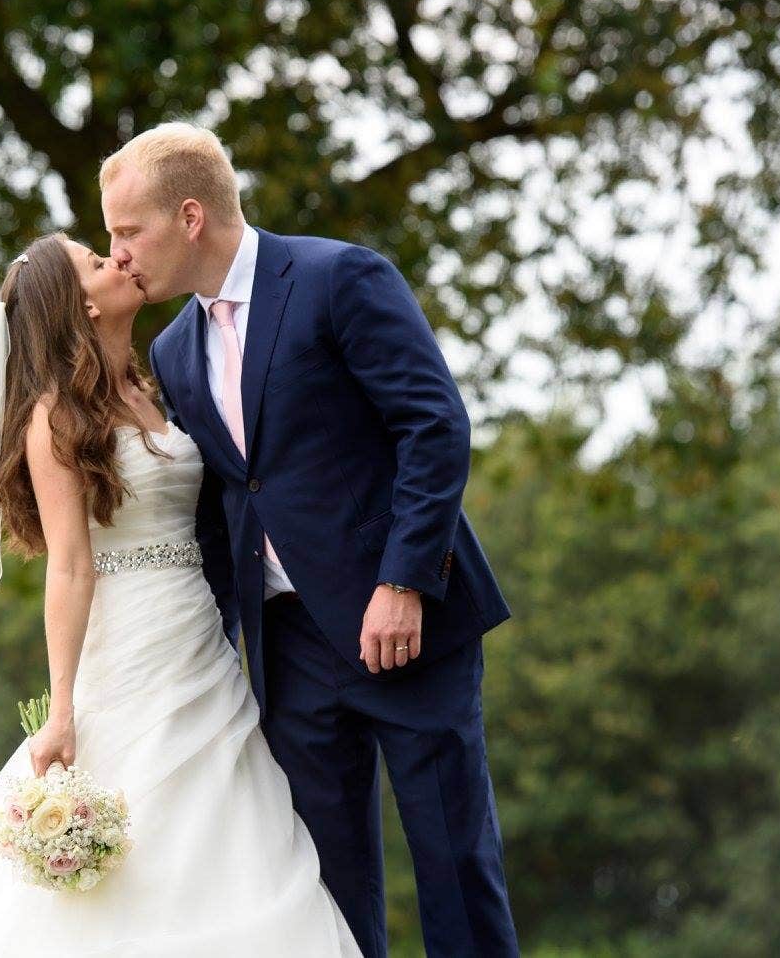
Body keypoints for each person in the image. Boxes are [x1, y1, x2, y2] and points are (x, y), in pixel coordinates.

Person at [0, 233, 362, 956]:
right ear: (78, 307)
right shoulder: (54, 419)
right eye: (96, 263)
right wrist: (61, 707)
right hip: (128, 646)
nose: (118, 260)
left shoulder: (154, 384)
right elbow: (69, 566)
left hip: (200, 639)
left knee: (231, 827)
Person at [102, 122, 518, 958]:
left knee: (452, 864)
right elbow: (224, 507)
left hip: (405, 626)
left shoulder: (338, 277)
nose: (116, 256)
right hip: (289, 649)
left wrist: (403, 582)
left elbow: (433, 426)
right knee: (324, 888)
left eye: (127, 231)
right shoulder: (175, 349)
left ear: (189, 217)